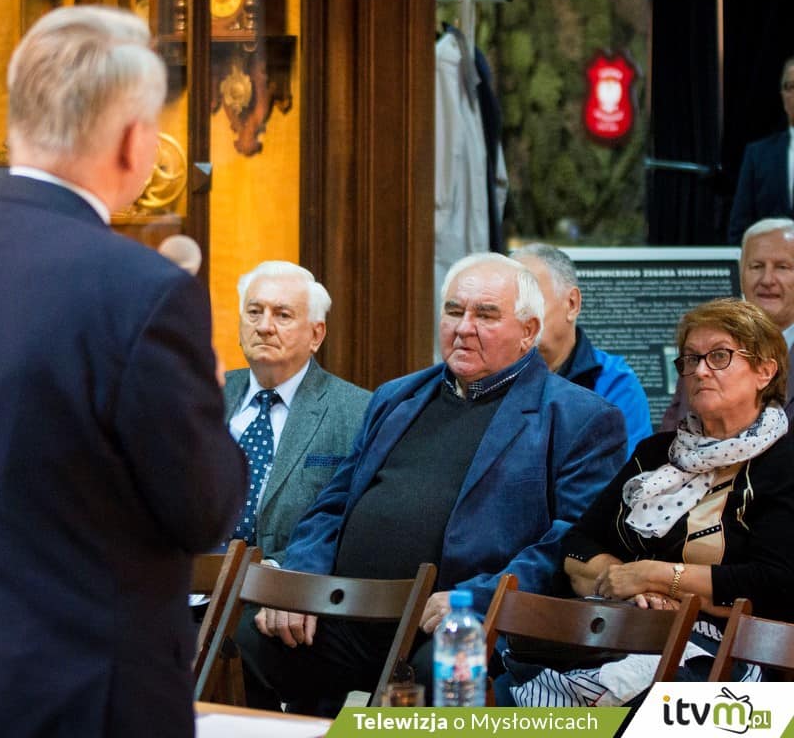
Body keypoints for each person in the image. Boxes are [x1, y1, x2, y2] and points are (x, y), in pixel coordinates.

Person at [0, 6, 246, 738]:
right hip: (91, 701)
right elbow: (204, 511)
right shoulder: (145, 291)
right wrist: (209, 398)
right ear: (133, 142)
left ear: (20, 120)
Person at [235, 253, 628, 714]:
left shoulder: (580, 417)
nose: (464, 328)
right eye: (454, 311)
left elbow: (569, 542)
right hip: (350, 612)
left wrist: (477, 600)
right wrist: (300, 579)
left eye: (486, 315)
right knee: (254, 635)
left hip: (459, 620)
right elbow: (334, 504)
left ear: (529, 331)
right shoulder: (397, 396)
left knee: (444, 666)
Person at [509, 298, 794, 706]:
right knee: (504, 680)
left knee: (620, 703)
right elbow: (577, 545)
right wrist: (630, 587)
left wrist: (656, 576)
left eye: (719, 356)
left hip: (732, 661)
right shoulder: (656, 453)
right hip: (627, 634)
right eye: (691, 359)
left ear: (765, 371)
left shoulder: (783, 463)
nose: (700, 371)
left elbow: (773, 583)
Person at [223, 261, 370, 563]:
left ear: (316, 335)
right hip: (186, 580)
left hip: (287, 584)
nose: (264, 327)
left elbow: (351, 526)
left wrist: (278, 572)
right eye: (254, 312)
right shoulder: (205, 394)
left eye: (282, 315)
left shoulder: (357, 412)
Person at [512, 243, 653, 455]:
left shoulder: (613, 383)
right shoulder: (491, 375)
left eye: (531, 301)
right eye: (510, 306)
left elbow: (625, 470)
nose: (519, 316)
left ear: (572, 304)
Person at [662, 217, 794, 428]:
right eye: (757, 266)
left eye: (782, 267)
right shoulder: (702, 352)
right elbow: (672, 434)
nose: (767, 280)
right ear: (741, 273)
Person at [728, 57, 794, 244]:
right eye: (791, 87)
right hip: (770, 260)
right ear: (782, 95)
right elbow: (739, 229)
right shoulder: (758, 156)